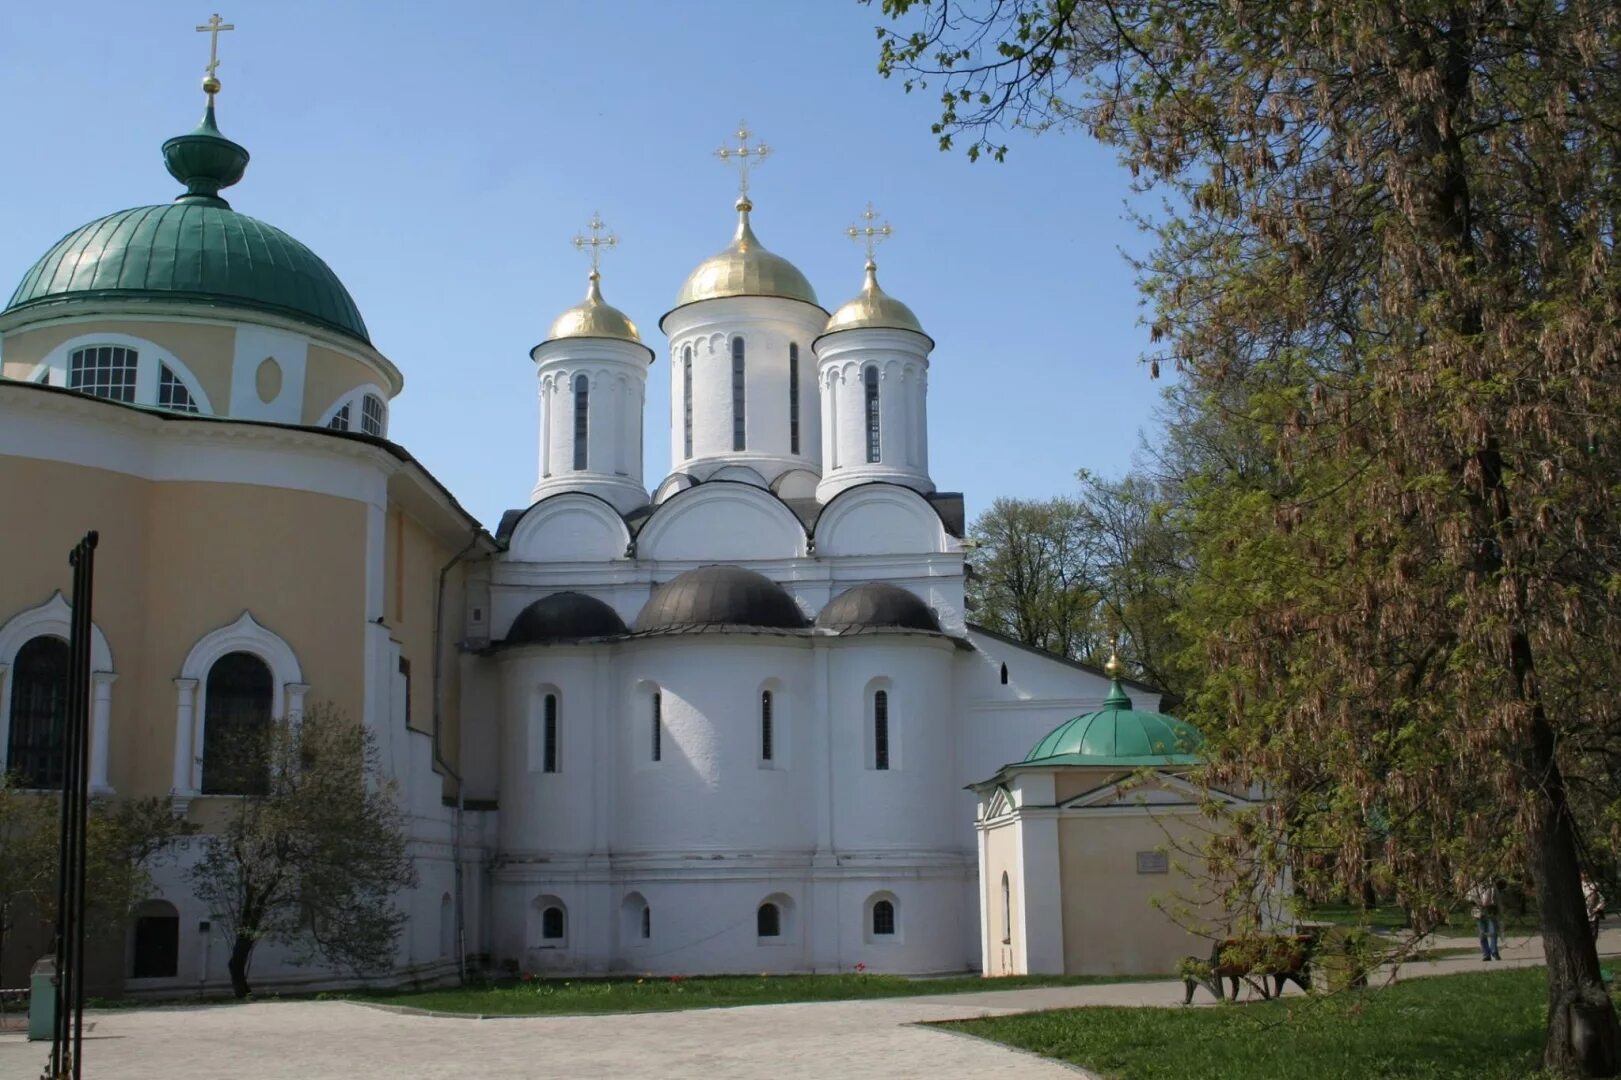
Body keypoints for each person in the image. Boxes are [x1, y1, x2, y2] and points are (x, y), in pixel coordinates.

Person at [1469, 880, 1502, 961]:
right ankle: (1486, 954)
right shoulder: (1473, 883)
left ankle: (1494, 951)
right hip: (1478, 909)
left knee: (1493, 931)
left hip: (1491, 909)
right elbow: (1469, 897)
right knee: (1482, 933)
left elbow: (1496, 897)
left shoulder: (1490, 882)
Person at [1584, 874, 1606, 943]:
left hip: (1593, 914)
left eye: (1585, 874)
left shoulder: (1594, 885)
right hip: (1583, 913)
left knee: (1594, 933)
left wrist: (1597, 908)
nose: (1584, 876)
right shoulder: (1579, 885)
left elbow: (1602, 899)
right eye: (1582, 874)